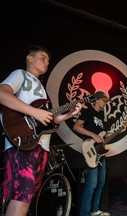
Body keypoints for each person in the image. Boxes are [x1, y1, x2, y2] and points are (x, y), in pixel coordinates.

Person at [0, 45, 82, 216]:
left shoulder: (42, 89)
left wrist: (68, 115)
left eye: (48, 60)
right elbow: (1, 93)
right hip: (22, 144)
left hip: (39, 145)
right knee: (21, 199)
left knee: (26, 199)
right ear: (30, 59)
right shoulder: (20, 74)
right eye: (43, 57)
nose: (47, 62)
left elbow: (50, 120)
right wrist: (34, 112)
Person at [73, 91, 112, 216]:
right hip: (91, 150)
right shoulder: (88, 111)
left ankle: (94, 210)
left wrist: (107, 136)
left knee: (101, 182)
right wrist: (93, 135)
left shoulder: (100, 116)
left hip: (100, 152)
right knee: (92, 183)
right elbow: (76, 127)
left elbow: (100, 136)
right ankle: (84, 213)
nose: (105, 103)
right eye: (104, 100)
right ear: (97, 99)